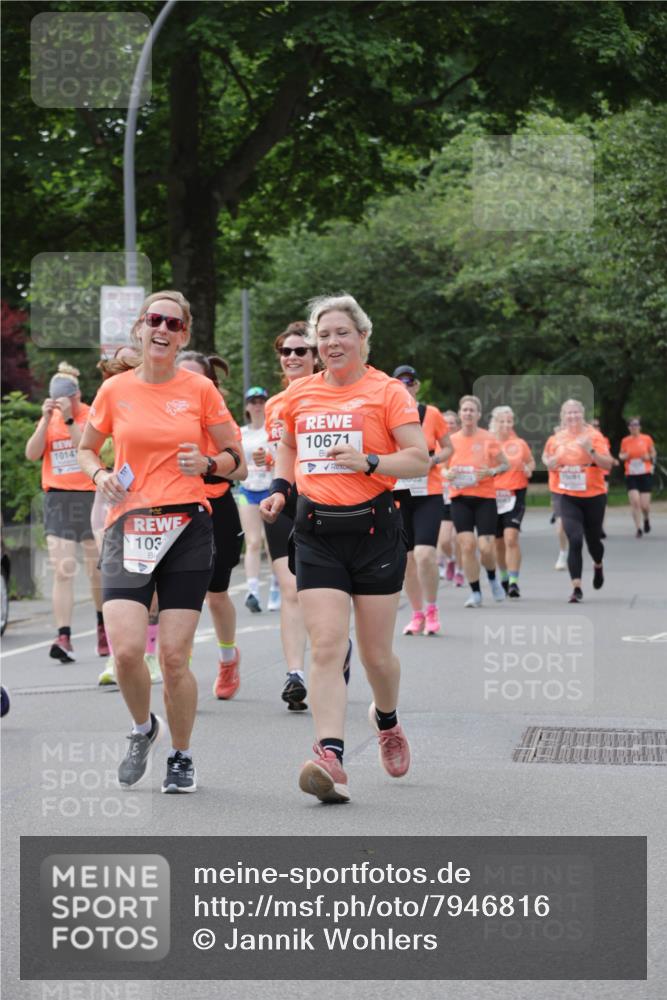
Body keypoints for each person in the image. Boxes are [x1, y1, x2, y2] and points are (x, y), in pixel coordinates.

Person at [260, 293, 428, 803]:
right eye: (324, 335)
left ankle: (388, 721)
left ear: (362, 337)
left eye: (341, 333)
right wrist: (281, 489)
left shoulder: (387, 392)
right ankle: (329, 755)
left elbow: (419, 459)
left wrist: (371, 463)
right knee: (329, 646)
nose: (332, 343)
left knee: (377, 656)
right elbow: (287, 444)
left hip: (375, 531)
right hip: (316, 534)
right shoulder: (298, 396)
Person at [78, 290, 242, 794]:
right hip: (129, 525)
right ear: (140, 328)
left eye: (173, 323)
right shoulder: (114, 391)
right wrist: (100, 472)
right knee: (127, 652)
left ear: (184, 334)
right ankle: (143, 728)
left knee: (173, 657)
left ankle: (181, 754)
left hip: (187, 527)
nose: (162, 329)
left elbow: (238, 456)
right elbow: (86, 448)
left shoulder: (199, 391)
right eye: (154, 320)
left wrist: (210, 464)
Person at [25, 362, 108, 663]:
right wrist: (47, 422)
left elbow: (89, 450)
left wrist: (71, 420)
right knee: (62, 570)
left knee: (94, 569)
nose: (60, 403)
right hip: (58, 498)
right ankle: (64, 636)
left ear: (76, 395)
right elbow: (32, 454)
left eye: (64, 398)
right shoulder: (49, 419)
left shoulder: (89, 415)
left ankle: (102, 627)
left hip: (88, 496)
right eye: (55, 399)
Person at [177, 351, 247, 700]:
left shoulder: (219, 419)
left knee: (216, 594)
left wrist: (206, 464)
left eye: (196, 378)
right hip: (178, 506)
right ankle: (180, 670)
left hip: (217, 506)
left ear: (209, 384)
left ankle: (227, 659)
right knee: (182, 596)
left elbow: (241, 470)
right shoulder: (163, 415)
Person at [93, 346, 162, 687]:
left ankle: (150, 652)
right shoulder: (106, 401)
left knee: (150, 590)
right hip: (111, 496)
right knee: (117, 583)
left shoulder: (151, 401)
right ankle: (116, 654)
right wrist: (99, 475)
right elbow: (86, 448)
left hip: (155, 501)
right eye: (110, 372)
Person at [391, 366, 452, 636]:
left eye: (409, 382)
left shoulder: (432, 414)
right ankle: (416, 614)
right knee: (406, 559)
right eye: (399, 382)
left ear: (416, 386)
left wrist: (434, 459)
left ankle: (432, 608)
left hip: (429, 491)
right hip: (399, 492)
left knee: (425, 553)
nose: (405, 386)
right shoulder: (386, 414)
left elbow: (449, 447)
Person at [542, 399, 613, 603]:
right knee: (574, 538)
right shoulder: (556, 439)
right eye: (568, 413)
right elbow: (546, 458)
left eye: (576, 413)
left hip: (593, 495)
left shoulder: (594, 436)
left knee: (593, 542)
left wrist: (590, 450)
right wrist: (551, 462)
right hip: (568, 496)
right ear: (563, 417)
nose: (572, 416)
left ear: (582, 415)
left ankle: (598, 564)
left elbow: (608, 463)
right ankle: (576, 587)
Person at [444, 395, 509, 608]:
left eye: (472, 410)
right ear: (460, 413)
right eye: (465, 410)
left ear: (478, 415)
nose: (468, 413)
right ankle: (475, 592)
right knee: (467, 545)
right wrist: (447, 473)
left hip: (485, 498)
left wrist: (491, 470)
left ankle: (491, 578)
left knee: (486, 547)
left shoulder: (488, 437)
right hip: (460, 498)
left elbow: (504, 465)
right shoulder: (451, 440)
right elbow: (441, 467)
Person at [238, 386, 277, 613]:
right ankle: (252, 591)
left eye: (261, 399)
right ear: (247, 406)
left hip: (270, 489)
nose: (257, 404)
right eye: (253, 400)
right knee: (252, 542)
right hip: (248, 490)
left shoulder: (271, 430)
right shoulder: (241, 433)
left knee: (271, 543)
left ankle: (275, 587)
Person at [489, 406, 535, 598]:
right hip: (492, 495)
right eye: (502, 421)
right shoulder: (487, 443)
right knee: (498, 542)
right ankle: (505, 576)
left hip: (515, 493)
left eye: (509, 421)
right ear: (495, 422)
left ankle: (514, 582)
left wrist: (529, 469)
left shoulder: (520, 443)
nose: (506, 425)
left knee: (511, 537)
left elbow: (531, 461)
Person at [437, 410, 464, 586]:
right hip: (443, 496)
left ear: (457, 425)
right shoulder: (438, 445)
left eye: (452, 423)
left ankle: (461, 571)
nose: (448, 426)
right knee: (444, 540)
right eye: (445, 423)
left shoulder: (463, 443)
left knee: (458, 538)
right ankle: (451, 559)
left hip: (461, 496)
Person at [619, 417, 657, 538]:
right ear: (628, 428)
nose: (634, 427)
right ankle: (638, 528)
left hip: (645, 473)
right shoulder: (625, 440)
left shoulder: (646, 438)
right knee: (635, 502)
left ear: (640, 427)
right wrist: (624, 456)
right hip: (631, 474)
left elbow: (653, 453)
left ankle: (646, 519)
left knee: (645, 505)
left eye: (636, 425)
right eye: (631, 425)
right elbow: (621, 455)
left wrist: (648, 457)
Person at [543, 425, 569, 571]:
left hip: (577, 488)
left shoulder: (578, 440)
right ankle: (563, 553)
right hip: (558, 488)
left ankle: (591, 551)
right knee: (560, 526)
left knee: (579, 526)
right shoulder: (552, 441)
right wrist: (548, 462)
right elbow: (545, 456)